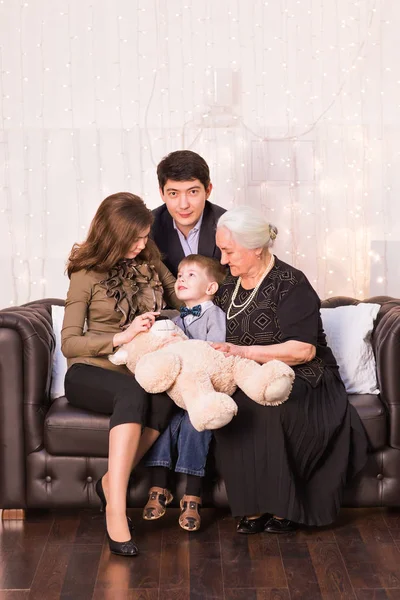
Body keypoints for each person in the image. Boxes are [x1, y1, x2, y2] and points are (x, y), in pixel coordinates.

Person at [211, 205, 368, 534]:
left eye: (228, 251)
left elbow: (303, 350)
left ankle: (284, 507)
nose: (223, 260)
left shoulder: (291, 283)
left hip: (306, 377)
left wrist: (244, 351)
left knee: (269, 406)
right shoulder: (229, 285)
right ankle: (252, 507)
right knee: (234, 407)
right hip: (249, 374)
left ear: (255, 247)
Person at [61, 192, 181, 556]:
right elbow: (69, 342)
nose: (142, 244)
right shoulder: (85, 273)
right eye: (134, 238)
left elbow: (181, 297)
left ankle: (111, 482)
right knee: (133, 395)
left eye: (145, 236)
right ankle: (116, 508)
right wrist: (121, 336)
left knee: (164, 396)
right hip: (89, 371)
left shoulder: (149, 260)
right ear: (111, 234)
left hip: (137, 367)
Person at [142, 254, 226, 531]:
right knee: (161, 423)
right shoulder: (175, 319)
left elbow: (213, 354)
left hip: (201, 389)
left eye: (191, 275)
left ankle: (193, 495)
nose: (181, 279)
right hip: (174, 389)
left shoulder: (215, 315)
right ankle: (158, 488)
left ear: (211, 288)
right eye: (179, 275)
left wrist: (182, 343)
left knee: (195, 425)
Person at [151, 150, 226, 278]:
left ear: (208, 190)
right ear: (162, 194)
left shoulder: (229, 225)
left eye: (192, 192)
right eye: (173, 193)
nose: (184, 205)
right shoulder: (147, 229)